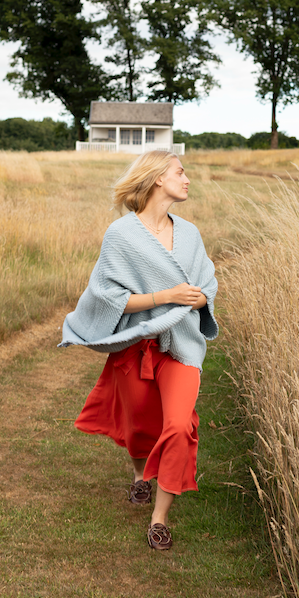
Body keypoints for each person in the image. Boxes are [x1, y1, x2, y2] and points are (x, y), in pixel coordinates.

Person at [59, 150, 218, 550]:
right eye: (180, 172)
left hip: (181, 346)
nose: (187, 179)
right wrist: (166, 296)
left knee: (178, 426)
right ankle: (139, 476)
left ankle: (159, 519)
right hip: (135, 346)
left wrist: (198, 299)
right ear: (157, 178)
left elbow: (207, 285)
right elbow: (107, 296)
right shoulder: (121, 235)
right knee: (139, 426)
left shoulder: (190, 234)